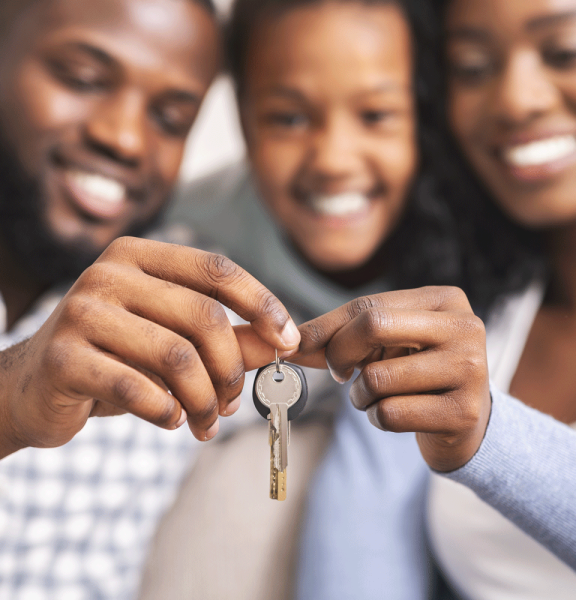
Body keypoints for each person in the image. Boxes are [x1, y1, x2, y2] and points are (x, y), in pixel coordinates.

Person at [0, 0, 303, 596]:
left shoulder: (194, 297)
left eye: (170, 117)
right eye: (83, 79)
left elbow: (316, 361)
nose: (125, 137)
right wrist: (5, 392)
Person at [291, 0, 576, 597]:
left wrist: (494, 440)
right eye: (471, 68)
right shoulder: (445, 313)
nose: (515, 100)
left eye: (566, 52)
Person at [141, 1, 448, 598]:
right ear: (241, 118)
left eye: (377, 114)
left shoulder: (477, 242)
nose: (333, 158)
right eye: (287, 119)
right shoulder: (187, 237)